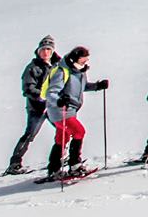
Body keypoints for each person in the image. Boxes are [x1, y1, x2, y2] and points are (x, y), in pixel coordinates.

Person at [41, 45, 108, 180]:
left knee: (62, 137)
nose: (85, 62)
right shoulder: (62, 71)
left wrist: (97, 86)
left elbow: (82, 87)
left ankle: (54, 169)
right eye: (83, 60)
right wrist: (59, 101)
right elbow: (51, 92)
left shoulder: (80, 71)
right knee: (79, 132)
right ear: (74, 59)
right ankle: (75, 165)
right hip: (60, 111)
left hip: (70, 110)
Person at [5, 35, 60, 174]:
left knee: (64, 130)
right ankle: (14, 164)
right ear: (38, 51)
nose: (45, 52)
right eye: (43, 49)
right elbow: (28, 89)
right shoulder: (32, 68)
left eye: (48, 49)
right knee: (30, 134)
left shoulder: (57, 66)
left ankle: (61, 156)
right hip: (37, 108)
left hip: (52, 106)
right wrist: (42, 97)